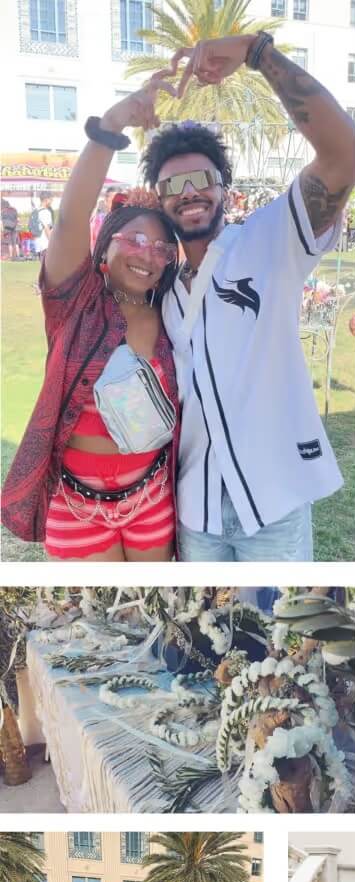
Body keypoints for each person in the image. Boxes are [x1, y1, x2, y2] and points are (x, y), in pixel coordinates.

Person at [146, 32, 355, 560]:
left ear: (224, 189)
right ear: (159, 201)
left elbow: (345, 153)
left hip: (274, 502)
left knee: (284, 630)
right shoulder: (160, 288)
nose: (188, 192)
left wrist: (259, 54)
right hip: (196, 508)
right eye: (172, 185)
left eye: (201, 179)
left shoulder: (269, 240)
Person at [2, 74, 180, 560]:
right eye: (136, 240)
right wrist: (112, 125)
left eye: (162, 247)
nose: (149, 253)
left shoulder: (171, 316)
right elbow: (70, 218)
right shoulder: (73, 303)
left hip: (151, 497)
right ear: (105, 247)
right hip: (78, 505)